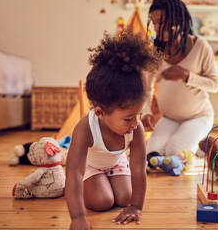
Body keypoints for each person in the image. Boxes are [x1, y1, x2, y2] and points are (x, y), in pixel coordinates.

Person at [65, 29, 159, 229]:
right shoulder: (85, 128)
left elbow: (138, 169)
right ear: (100, 113)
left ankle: (112, 186)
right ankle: (86, 188)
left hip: (116, 164)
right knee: (102, 201)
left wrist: (136, 206)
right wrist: (78, 217)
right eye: (128, 118)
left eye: (138, 115)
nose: (135, 123)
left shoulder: (136, 128)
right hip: (90, 167)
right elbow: (74, 173)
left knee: (125, 198)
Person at [142, 0, 218, 163]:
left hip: (198, 116)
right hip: (169, 118)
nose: (157, 27)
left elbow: (214, 84)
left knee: (174, 151)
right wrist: (146, 112)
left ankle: (201, 147)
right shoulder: (155, 53)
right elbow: (146, 88)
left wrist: (186, 76)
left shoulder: (200, 47)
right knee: (152, 155)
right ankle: (197, 147)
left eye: (161, 22)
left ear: (178, 20)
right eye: (154, 22)